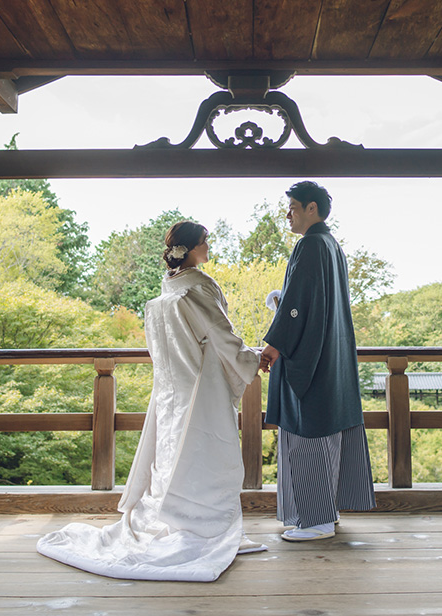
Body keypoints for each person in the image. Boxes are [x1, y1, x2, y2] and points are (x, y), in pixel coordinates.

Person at [36, 221, 265, 581]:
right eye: (205, 242)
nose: (209, 247)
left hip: (173, 389)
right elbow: (222, 336)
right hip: (201, 386)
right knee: (208, 454)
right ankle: (201, 528)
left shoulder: (168, 289)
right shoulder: (199, 287)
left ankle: (173, 519)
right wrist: (253, 358)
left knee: (172, 454)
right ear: (190, 249)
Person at [259, 181, 376, 541]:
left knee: (305, 432)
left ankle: (316, 521)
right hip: (332, 356)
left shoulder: (309, 244)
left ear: (312, 208)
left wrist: (275, 345)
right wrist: (284, 300)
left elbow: (299, 308)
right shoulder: (332, 245)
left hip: (309, 357)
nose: (288, 213)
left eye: (293, 207)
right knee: (328, 431)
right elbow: (311, 299)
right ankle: (326, 512)